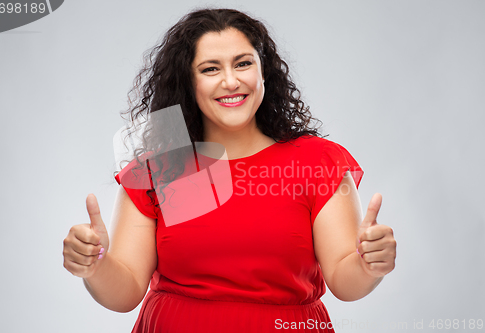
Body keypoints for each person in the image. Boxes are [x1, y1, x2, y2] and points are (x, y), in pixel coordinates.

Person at [62, 8, 397, 333]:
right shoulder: (159, 169)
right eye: (210, 69)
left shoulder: (317, 162)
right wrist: (96, 265)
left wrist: (369, 265)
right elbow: (126, 292)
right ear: (188, 82)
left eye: (243, 63)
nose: (231, 81)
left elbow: (345, 281)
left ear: (263, 72)